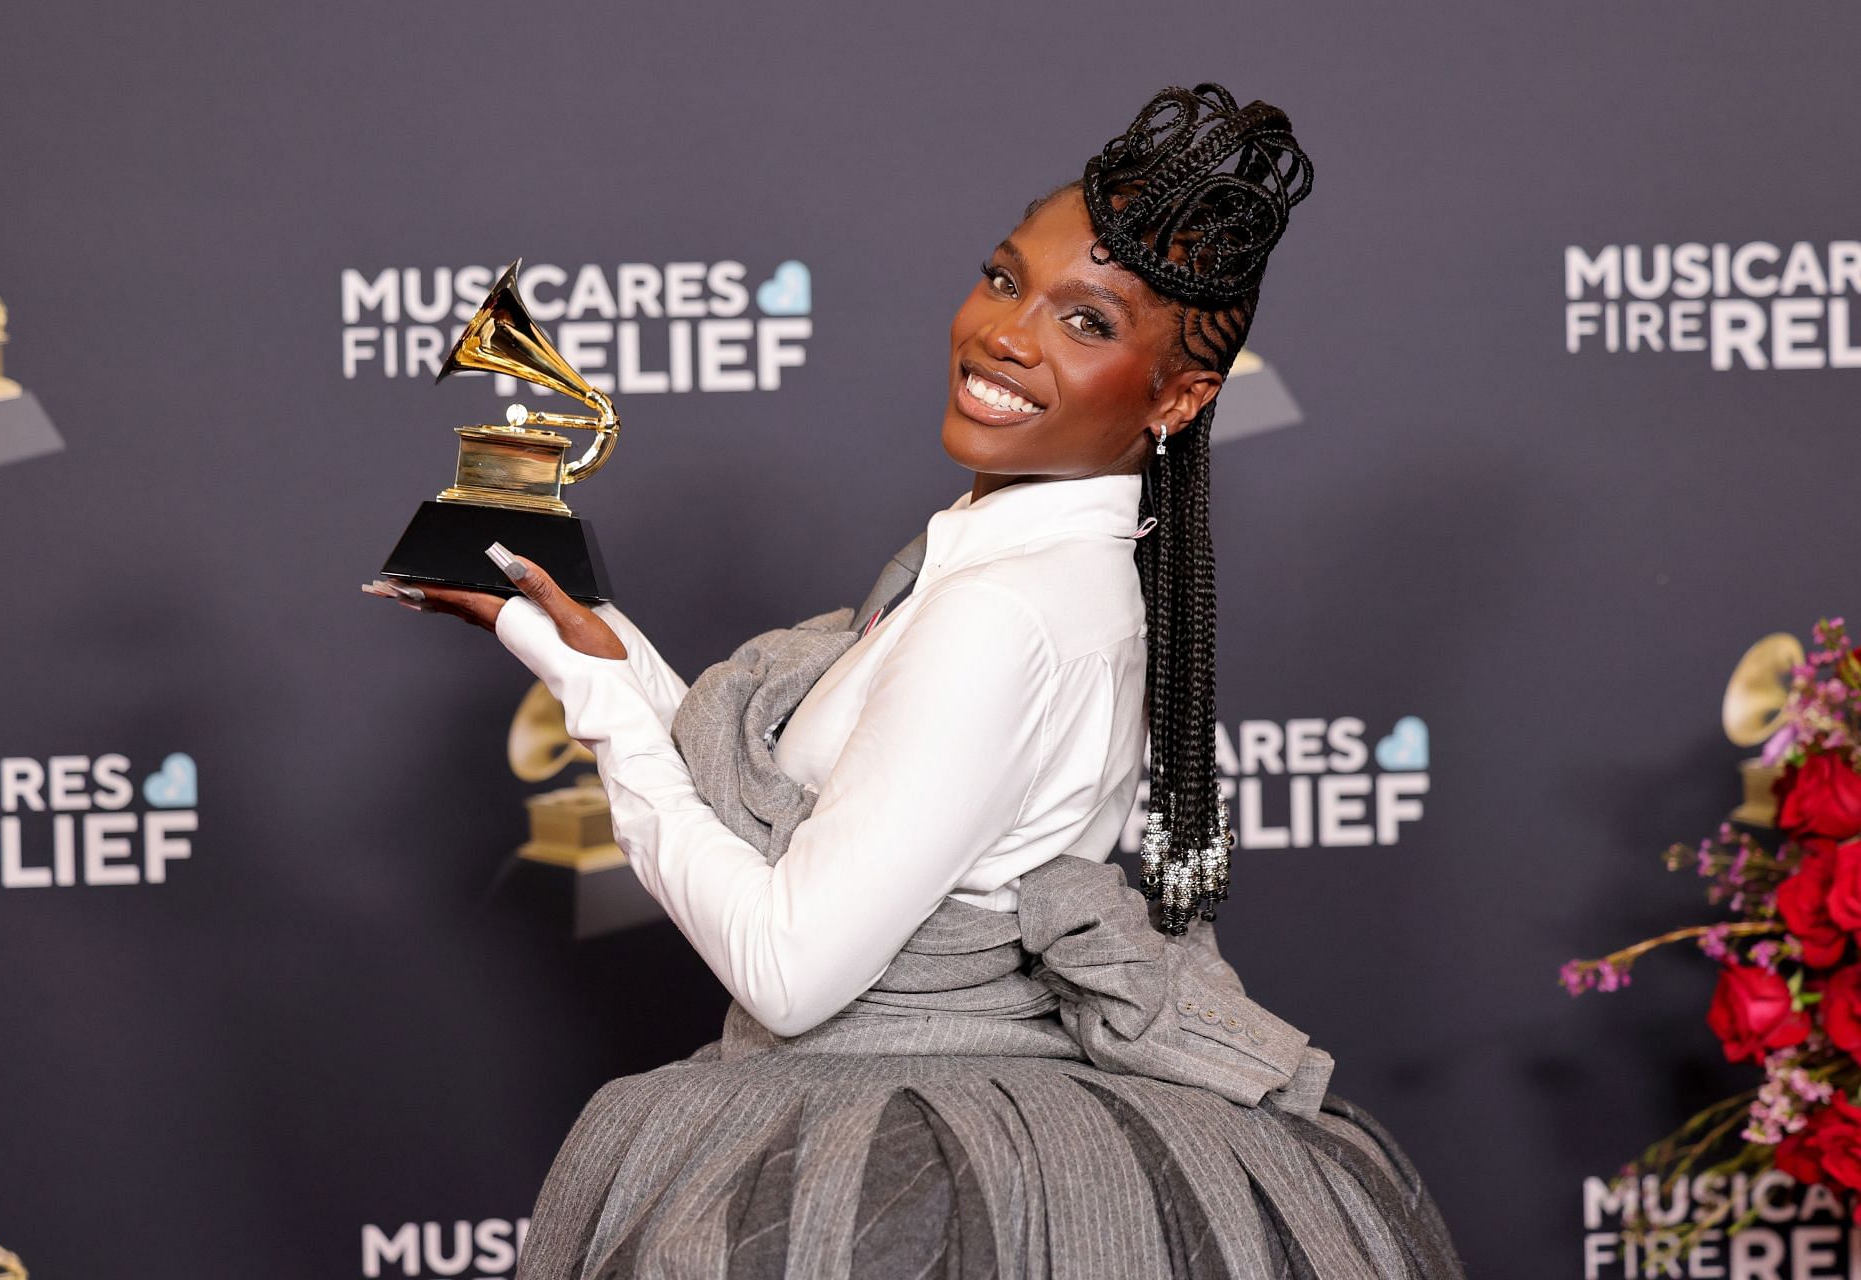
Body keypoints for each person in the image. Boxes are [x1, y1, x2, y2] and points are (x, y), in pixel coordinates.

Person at [370, 82, 1465, 1280]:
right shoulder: (1008, 560)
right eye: (1004, 279)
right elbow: (812, 817)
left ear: (1181, 396)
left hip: (899, 1173)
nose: (1008, 332)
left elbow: (790, 970)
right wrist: (582, 644)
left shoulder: (1005, 609)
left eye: (1088, 323)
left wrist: (601, 713)